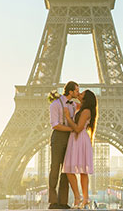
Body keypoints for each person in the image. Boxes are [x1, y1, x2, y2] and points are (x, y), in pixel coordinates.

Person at [63, 89, 98, 209]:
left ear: (86, 98)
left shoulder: (86, 111)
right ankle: (80, 197)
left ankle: (84, 198)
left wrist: (67, 117)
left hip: (79, 139)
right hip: (76, 139)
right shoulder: (81, 108)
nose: (79, 94)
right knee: (71, 170)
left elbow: (78, 128)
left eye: (82, 94)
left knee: (82, 171)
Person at [48, 81, 80, 209]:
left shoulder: (73, 105)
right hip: (59, 137)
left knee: (66, 170)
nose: (78, 93)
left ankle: (63, 202)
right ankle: (53, 201)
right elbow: (55, 124)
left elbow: (87, 106)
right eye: (76, 91)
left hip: (69, 138)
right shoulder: (55, 104)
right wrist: (72, 129)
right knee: (55, 167)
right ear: (70, 91)